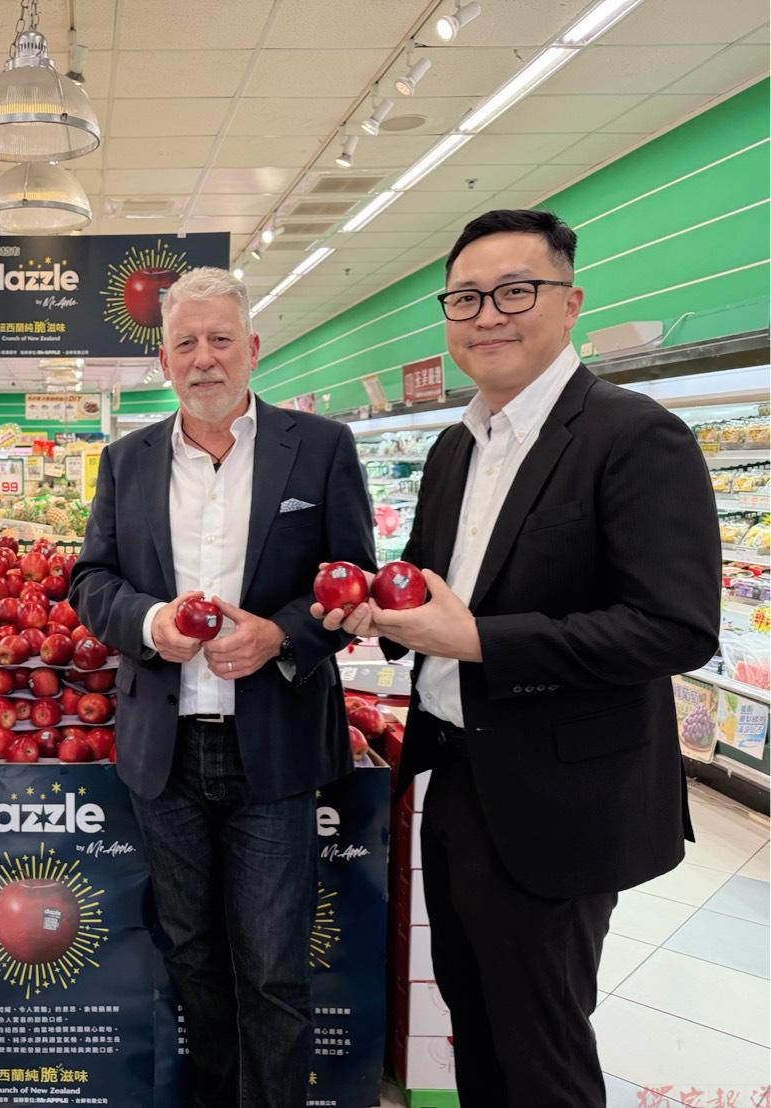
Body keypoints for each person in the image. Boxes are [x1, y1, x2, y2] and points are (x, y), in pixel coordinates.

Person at [313, 209, 721, 1107]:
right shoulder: (456, 447)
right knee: (475, 1020)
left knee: (542, 1047)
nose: (488, 314)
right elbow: (427, 586)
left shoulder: (633, 435)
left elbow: (675, 626)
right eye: (465, 298)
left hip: (561, 799)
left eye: (515, 291)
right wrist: (377, 614)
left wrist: (478, 642)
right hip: (456, 777)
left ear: (570, 303)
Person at [69, 267, 376, 1107]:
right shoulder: (126, 460)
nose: (204, 358)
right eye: (186, 343)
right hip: (164, 752)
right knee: (192, 955)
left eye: (220, 340)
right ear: (163, 361)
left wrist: (281, 635)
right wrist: (148, 623)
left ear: (253, 348)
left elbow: (352, 578)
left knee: (273, 966)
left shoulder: (320, 448)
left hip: (273, 745)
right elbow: (91, 579)